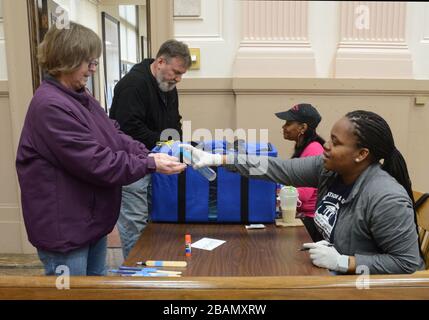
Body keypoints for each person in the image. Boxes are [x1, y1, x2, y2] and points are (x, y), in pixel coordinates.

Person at [15, 22, 186, 276]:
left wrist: (147, 153)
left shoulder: (79, 94)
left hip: (89, 223)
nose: (93, 69)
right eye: (89, 62)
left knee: (95, 289)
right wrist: (149, 163)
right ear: (68, 59)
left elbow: (113, 132)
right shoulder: (50, 106)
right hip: (65, 228)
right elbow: (96, 161)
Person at [180, 110, 425, 274]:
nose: (326, 146)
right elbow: (276, 168)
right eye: (329, 138)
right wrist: (219, 158)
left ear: (362, 154)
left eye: (336, 143)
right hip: (331, 278)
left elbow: (407, 263)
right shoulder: (329, 169)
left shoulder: (386, 198)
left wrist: (344, 262)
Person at [109, 39, 191, 259]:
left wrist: (178, 143)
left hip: (158, 162)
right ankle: (136, 274)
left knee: (156, 219)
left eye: (181, 74)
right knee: (134, 224)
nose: (177, 78)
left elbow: (174, 122)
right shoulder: (133, 85)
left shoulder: (167, 85)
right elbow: (128, 130)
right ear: (160, 61)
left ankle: (153, 271)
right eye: (175, 72)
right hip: (132, 163)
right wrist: (167, 144)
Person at [275, 103, 325, 237]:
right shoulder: (305, 147)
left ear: (303, 128)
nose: (283, 127)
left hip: (310, 221)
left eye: (288, 123)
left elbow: (303, 194)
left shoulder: (314, 149)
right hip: (301, 216)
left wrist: (277, 193)